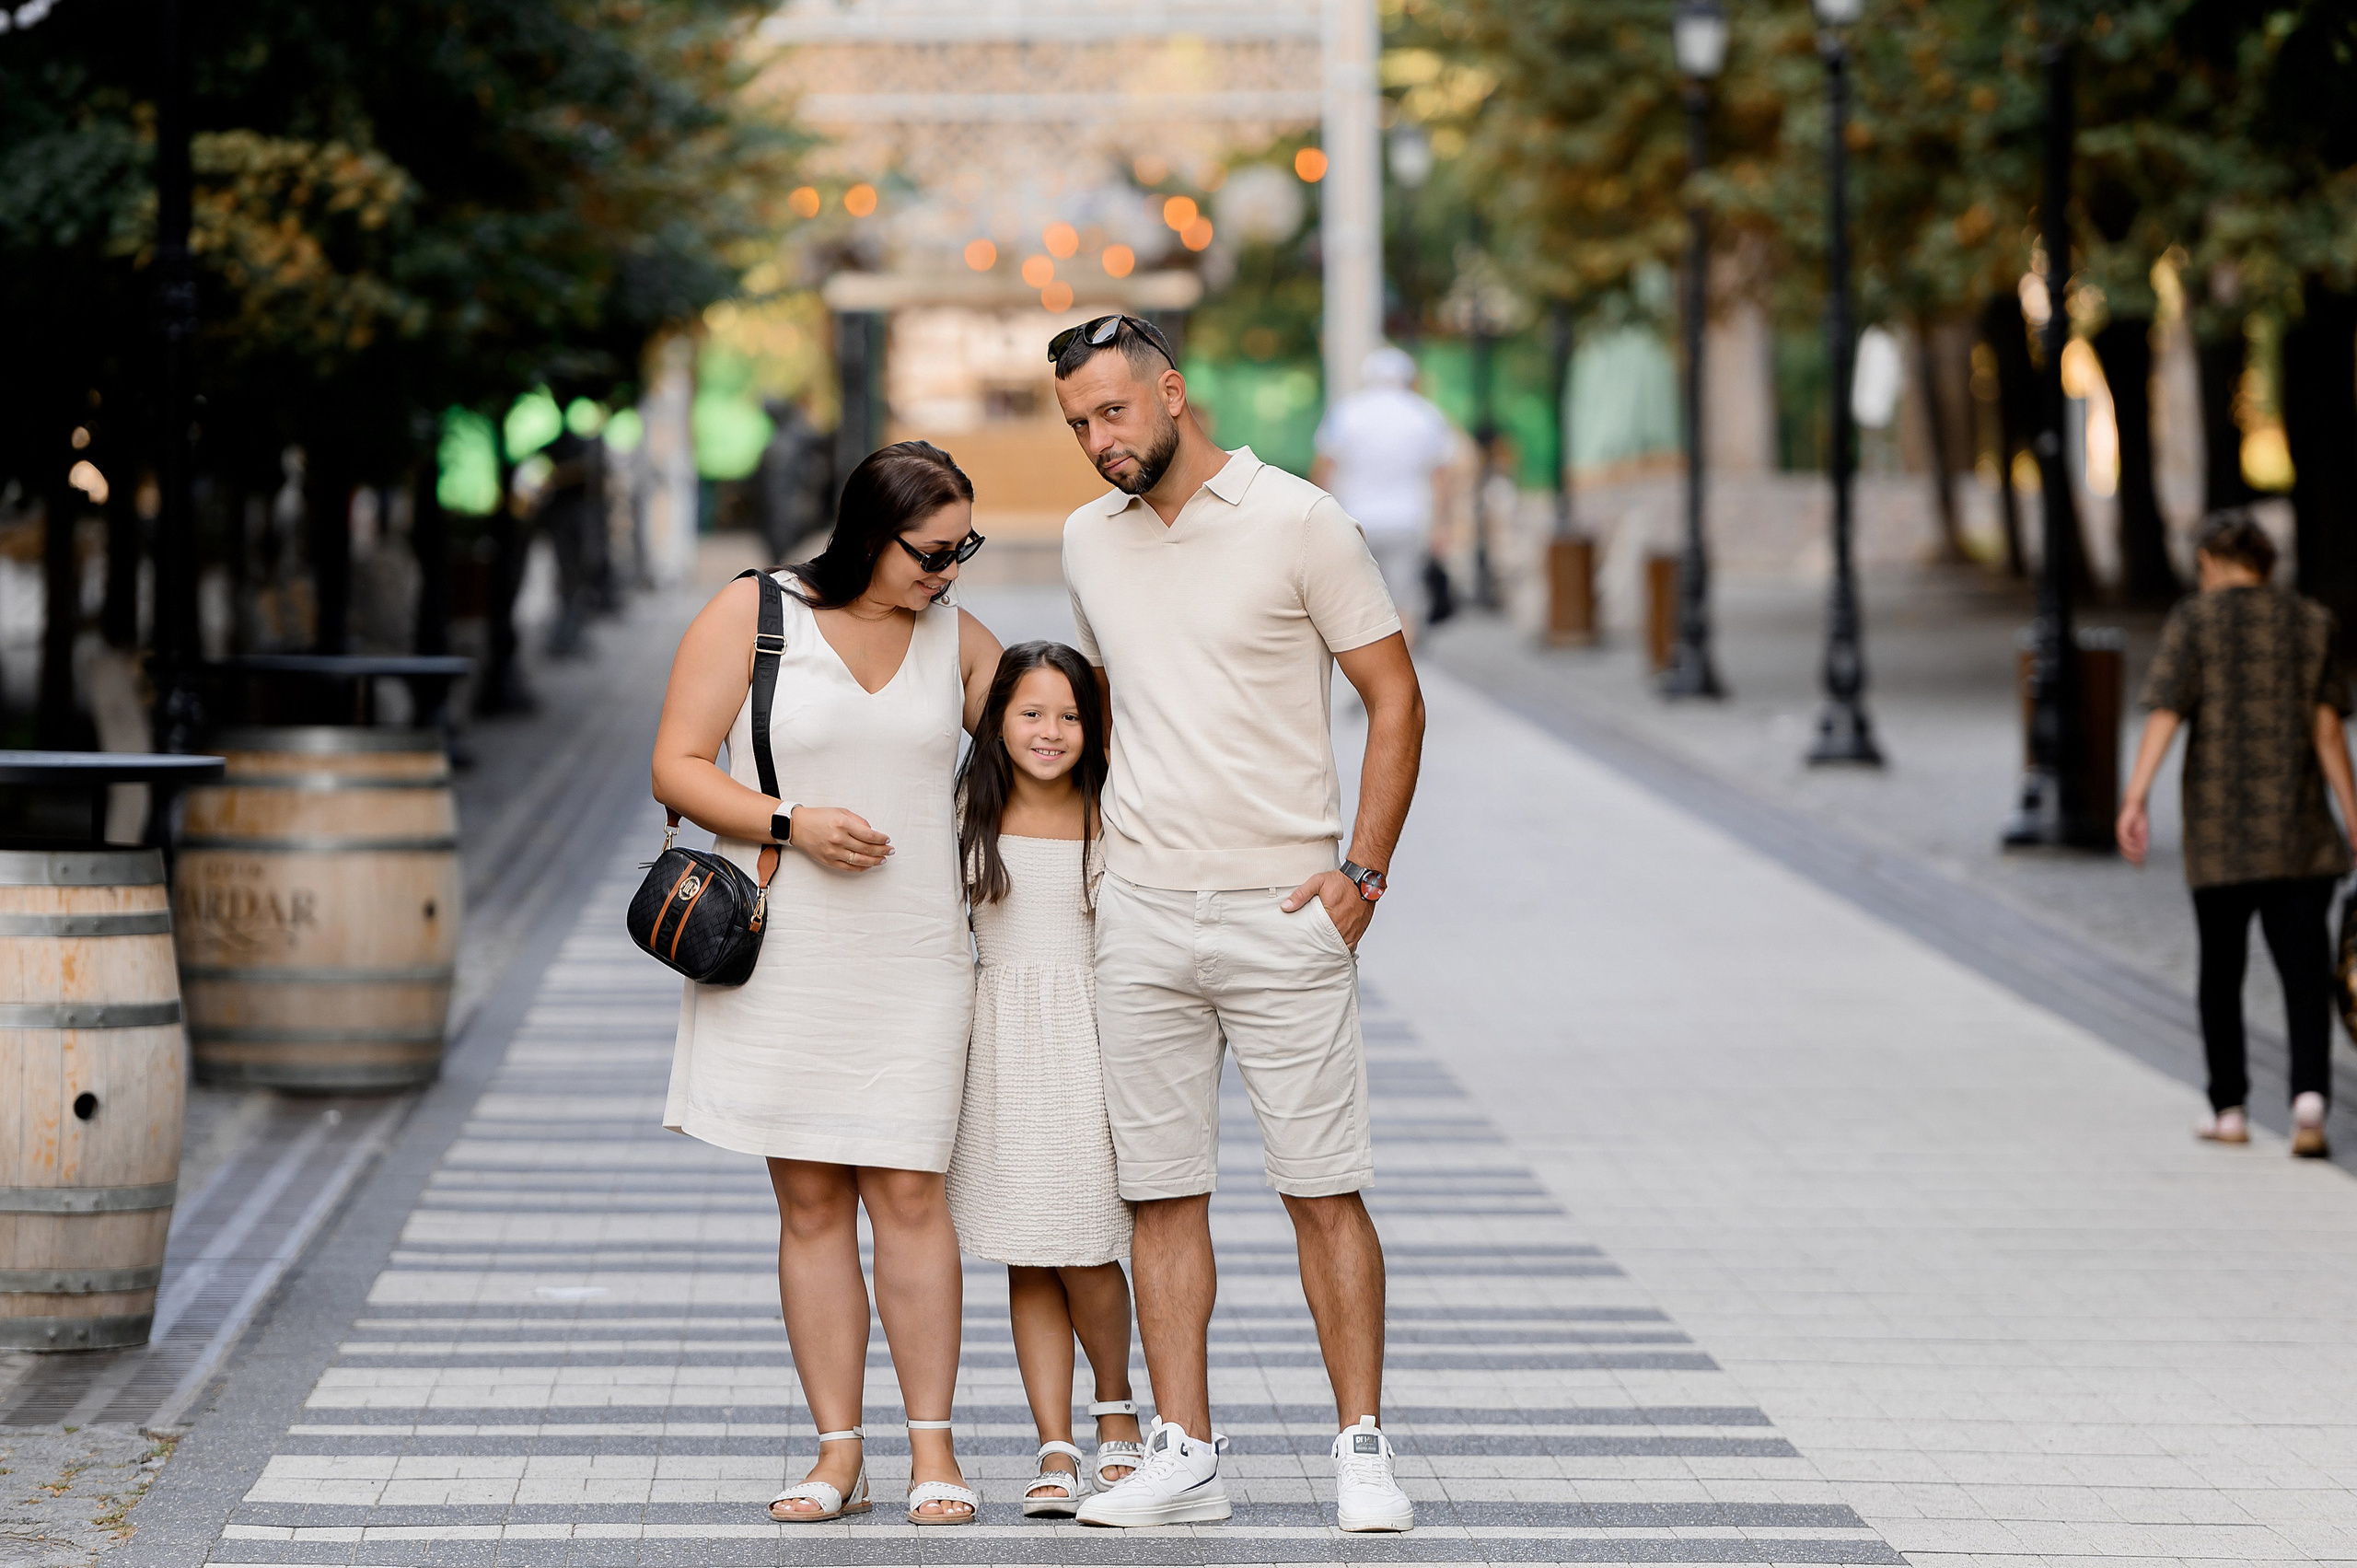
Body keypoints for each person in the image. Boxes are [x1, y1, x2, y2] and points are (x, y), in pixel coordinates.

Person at [1048, 314, 1427, 1532]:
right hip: (1141, 911)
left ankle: (1361, 1445)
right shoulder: (1087, 539)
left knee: (1323, 1185)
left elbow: (1394, 696)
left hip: (1285, 906)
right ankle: (1185, 1451)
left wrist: (1362, 875)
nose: (1098, 441)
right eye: (1078, 424)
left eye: (1112, 412)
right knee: (1161, 1192)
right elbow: (1111, 706)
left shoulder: (1302, 519)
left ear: (1171, 391)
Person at [650, 441, 1003, 1524]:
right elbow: (677, 764)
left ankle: (934, 1451)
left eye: (963, 549)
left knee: (911, 1196)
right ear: (868, 535)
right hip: (787, 947)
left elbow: (1051, 738)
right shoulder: (756, 613)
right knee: (810, 1205)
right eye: (932, 551)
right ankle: (836, 1454)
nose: (948, 570)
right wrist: (791, 821)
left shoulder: (954, 635)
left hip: (916, 952)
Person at [943, 640, 1145, 1517]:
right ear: (996, 722)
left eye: (1069, 715)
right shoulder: (967, 811)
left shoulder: (1114, 810)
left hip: (1092, 1042)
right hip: (1001, 1047)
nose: (1050, 731)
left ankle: (1117, 1409)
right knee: (1028, 1249)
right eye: (1030, 712)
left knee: (1089, 1245)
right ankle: (1054, 1440)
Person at [2119, 513, 2356, 1159]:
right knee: (2304, 973)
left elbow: (2167, 711)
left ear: (2210, 562)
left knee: (2220, 972)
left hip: (2219, 831)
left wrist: (2135, 797)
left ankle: (2229, 1110)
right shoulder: (2312, 621)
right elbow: (2328, 730)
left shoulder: (2195, 620)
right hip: (2299, 832)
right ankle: (2309, 1104)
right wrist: (2354, 817)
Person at [1310, 344, 1456, 645]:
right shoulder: (1425, 414)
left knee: (1356, 607)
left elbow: (1325, 468)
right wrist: (1442, 523)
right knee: (1402, 605)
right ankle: (1403, 669)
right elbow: (1442, 475)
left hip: (1354, 520)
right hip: (1408, 520)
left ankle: (1362, 671)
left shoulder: (1347, 412)